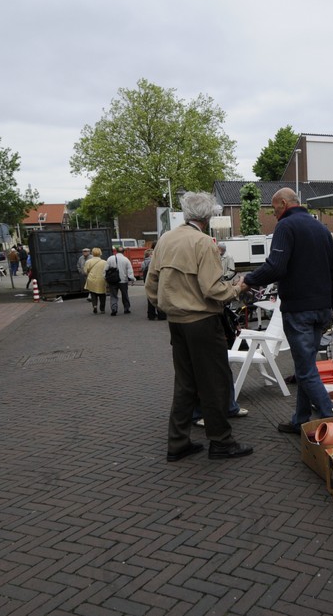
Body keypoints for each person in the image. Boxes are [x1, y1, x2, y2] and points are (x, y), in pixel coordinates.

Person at [146, 191, 253, 461]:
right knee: (214, 382)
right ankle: (221, 442)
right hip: (203, 323)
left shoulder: (165, 239)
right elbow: (212, 289)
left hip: (177, 323)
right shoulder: (203, 242)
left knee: (185, 383)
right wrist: (237, 289)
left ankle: (178, 442)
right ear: (208, 217)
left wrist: (167, 306)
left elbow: (151, 283)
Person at [236, 187, 333, 435]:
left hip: (299, 311)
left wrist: (248, 280)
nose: (274, 214)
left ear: (284, 204)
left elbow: (276, 267)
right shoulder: (321, 228)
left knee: (306, 371)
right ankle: (300, 419)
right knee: (305, 367)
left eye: (274, 208)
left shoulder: (286, 226)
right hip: (321, 311)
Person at [106, 246, 135, 316]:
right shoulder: (126, 259)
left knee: (113, 295)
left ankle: (114, 308)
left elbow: (105, 269)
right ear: (124, 252)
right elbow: (130, 270)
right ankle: (126, 308)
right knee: (125, 295)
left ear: (116, 251)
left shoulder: (110, 258)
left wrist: (105, 278)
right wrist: (132, 279)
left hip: (112, 280)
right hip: (123, 280)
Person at [142, 248, 167, 321]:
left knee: (150, 297)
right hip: (156, 281)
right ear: (150, 255)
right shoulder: (153, 262)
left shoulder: (143, 262)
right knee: (159, 297)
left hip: (147, 280)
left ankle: (151, 314)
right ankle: (161, 315)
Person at [83, 248, 107, 314]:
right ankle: (102, 309)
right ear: (100, 253)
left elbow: (85, 271)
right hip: (101, 279)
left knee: (93, 294)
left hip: (91, 279)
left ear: (92, 253)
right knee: (102, 294)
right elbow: (106, 271)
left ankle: (95, 306)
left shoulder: (88, 261)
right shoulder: (104, 262)